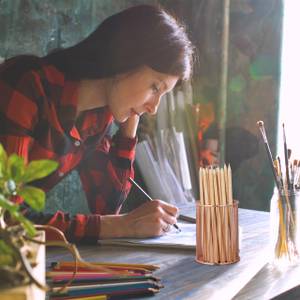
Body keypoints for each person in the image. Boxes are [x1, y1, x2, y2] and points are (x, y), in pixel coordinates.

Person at [0, 5, 194, 243]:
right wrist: (121, 225)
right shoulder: (27, 85)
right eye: (155, 87)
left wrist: (128, 130)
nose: (153, 108)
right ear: (124, 59)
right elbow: (7, 217)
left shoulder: (96, 118)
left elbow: (107, 207)